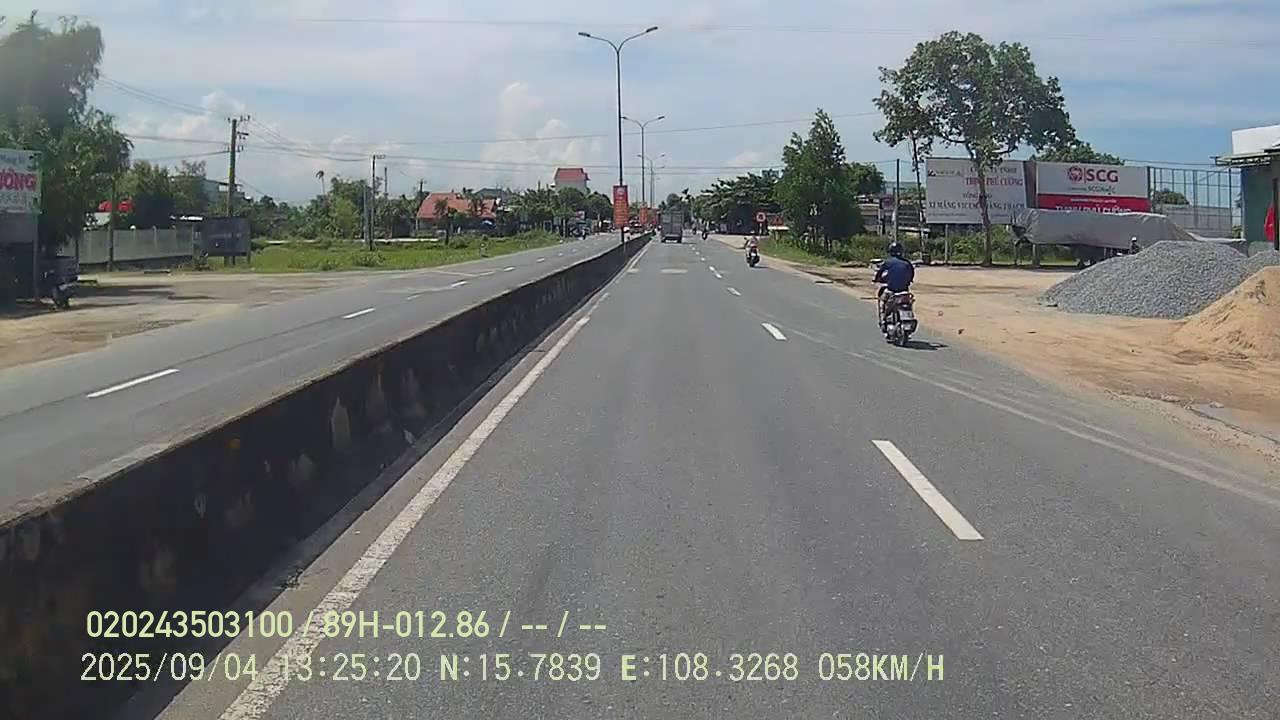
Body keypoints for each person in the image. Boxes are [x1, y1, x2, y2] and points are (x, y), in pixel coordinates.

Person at [874, 241, 915, 325]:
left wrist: (876, 279)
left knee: (883, 301)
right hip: (904, 291)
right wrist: (909, 280)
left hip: (892, 290)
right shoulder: (907, 262)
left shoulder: (888, 262)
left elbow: (880, 272)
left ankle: (884, 318)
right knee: (908, 303)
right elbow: (911, 274)